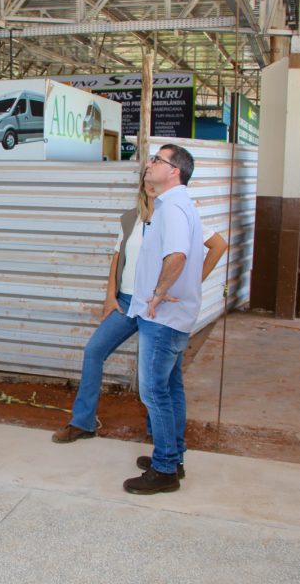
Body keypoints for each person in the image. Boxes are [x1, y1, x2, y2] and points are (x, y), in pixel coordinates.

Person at [52, 172, 228, 445]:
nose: (150, 187)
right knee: (94, 351)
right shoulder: (130, 219)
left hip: (159, 308)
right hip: (126, 302)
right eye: (146, 183)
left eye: (154, 183)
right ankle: (82, 422)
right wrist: (110, 296)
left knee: (167, 379)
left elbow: (218, 245)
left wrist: (191, 282)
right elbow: (118, 257)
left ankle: (162, 436)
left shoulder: (176, 215)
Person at [120, 143, 204, 494]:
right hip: (169, 317)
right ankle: (174, 454)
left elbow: (178, 256)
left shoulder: (173, 208)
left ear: (175, 171)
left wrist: (157, 292)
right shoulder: (174, 205)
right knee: (170, 389)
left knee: (154, 392)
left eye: (157, 159)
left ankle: (165, 467)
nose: (149, 163)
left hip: (163, 317)